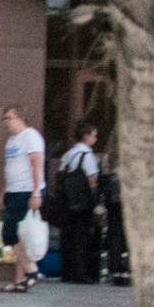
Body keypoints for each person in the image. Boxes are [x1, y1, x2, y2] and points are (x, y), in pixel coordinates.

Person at [0, 105, 48, 294]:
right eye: (4, 119)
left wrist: (36, 192)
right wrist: (3, 191)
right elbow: (10, 167)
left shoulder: (31, 136)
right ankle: (21, 281)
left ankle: (32, 271)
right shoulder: (11, 141)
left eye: (8, 118)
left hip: (26, 190)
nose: (6, 122)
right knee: (18, 236)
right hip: (13, 190)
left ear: (20, 118)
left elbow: (37, 166)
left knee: (10, 234)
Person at [56, 121, 104, 285]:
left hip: (67, 203)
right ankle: (80, 273)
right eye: (94, 135)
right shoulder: (87, 155)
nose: (95, 139)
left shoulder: (69, 154)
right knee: (81, 238)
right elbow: (92, 180)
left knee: (68, 237)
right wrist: (96, 200)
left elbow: (61, 174)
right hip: (82, 204)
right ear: (86, 136)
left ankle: (67, 272)